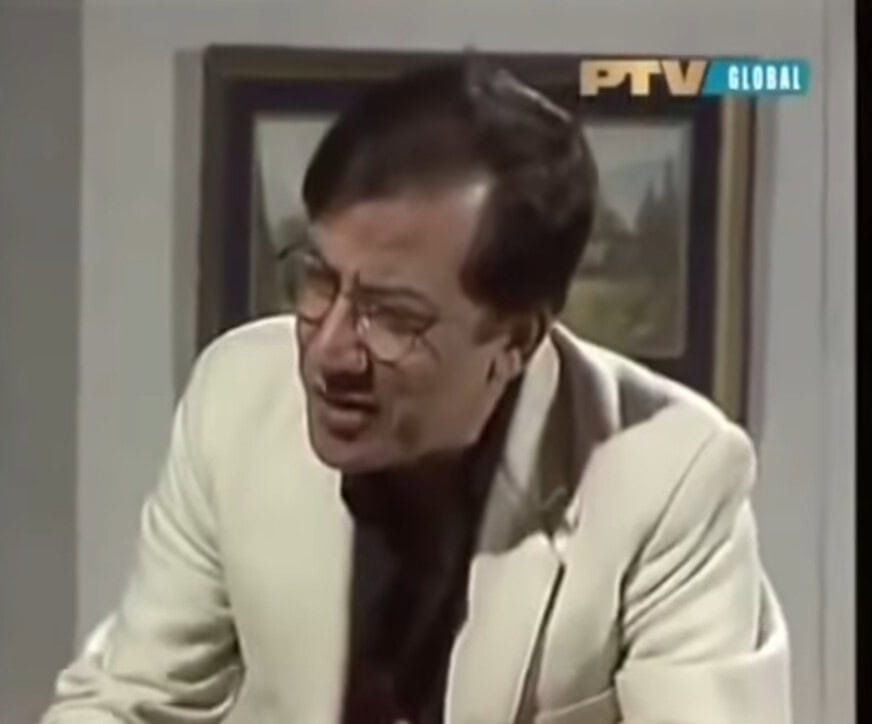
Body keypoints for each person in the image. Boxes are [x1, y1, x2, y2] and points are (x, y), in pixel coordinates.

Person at [42, 60, 791, 724]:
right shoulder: (237, 396)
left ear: (516, 339)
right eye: (319, 279)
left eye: (393, 316)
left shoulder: (674, 478)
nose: (330, 353)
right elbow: (136, 700)